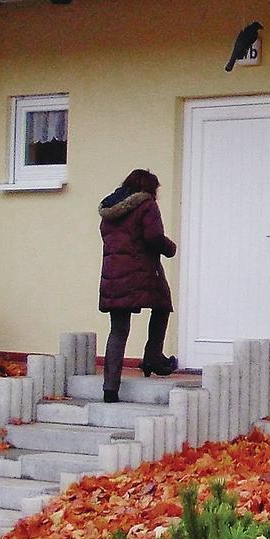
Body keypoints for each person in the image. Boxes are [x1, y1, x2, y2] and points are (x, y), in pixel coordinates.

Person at [98, 168, 178, 403]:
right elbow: (153, 237)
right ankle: (153, 358)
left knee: (118, 329)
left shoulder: (109, 209)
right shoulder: (146, 205)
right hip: (143, 272)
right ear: (149, 187)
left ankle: (110, 388)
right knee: (162, 305)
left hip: (113, 275)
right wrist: (170, 247)